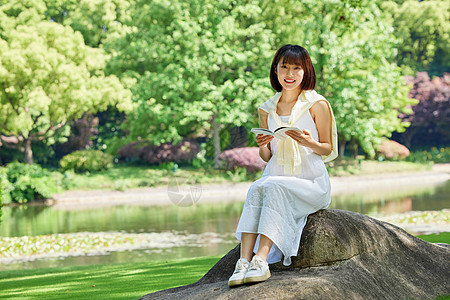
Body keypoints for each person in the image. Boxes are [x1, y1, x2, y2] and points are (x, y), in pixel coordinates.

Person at [228, 44, 338, 287]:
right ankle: (243, 263)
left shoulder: (317, 104)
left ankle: (261, 261)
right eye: (284, 67)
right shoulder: (266, 108)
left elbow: (328, 149)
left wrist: (310, 142)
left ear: (305, 71)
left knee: (272, 186)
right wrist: (264, 144)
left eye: (296, 68)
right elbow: (267, 157)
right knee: (257, 187)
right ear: (275, 70)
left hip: (310, 181)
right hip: (275, 174)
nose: (290, 74)